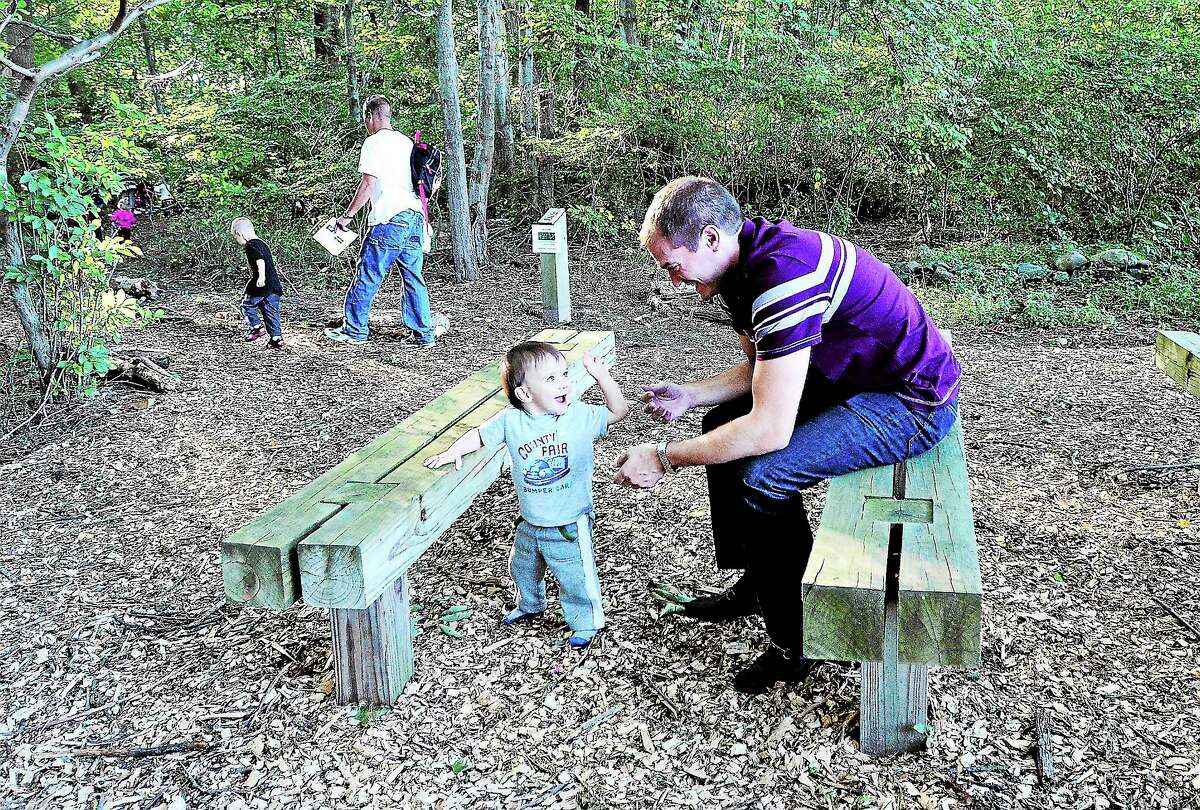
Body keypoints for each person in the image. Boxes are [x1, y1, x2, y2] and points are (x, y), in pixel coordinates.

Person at [614, 177, 961, 693]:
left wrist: (666, 457)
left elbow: (769, 428)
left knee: (761, 475)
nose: (673, 279)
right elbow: (760, 371)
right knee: (718, 425)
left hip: (910, 403)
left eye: (673, 265)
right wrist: (692, 395)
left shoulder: (783, 278)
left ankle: (798, 639)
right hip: (853, 380)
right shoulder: (742, 270)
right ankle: (758, 582)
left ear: (711, 239)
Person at [425, 342, 629, 647]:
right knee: (522, 567)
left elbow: (619, 410)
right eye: (551, 379)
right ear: (525, 394)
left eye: (564, 375)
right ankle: (530, 604)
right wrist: (454, 450)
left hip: (569, 524)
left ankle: (586, 623)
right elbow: (479, 435)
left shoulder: (579, 416)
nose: (564, 383)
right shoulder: (511, 422)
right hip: (530, 521)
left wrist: (602, 376)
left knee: (575, 577)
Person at [324, 95, 434, 347]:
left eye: (366, 118)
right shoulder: (407, 142)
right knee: (413, 277)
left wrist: (347, 216)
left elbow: (368, 184)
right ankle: (424, 334)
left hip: (390, 218)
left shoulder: (374, 143)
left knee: (369, 273)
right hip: (415, 217)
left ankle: (354, 330)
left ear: (370, 116)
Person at [230, 217, 284, 348]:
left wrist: (261, 277)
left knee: (247, 305)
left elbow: (260, 260)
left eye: (235, 238)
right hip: (274, 286)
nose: (237, 241)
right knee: (271, 311)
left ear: (240, 234)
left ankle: (256, 327)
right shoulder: (262, 244)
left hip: (261, 285)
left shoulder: (251, 245)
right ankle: (276, 338)